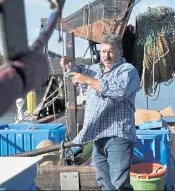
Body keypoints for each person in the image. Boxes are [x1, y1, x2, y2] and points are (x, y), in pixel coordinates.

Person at [60, 33, 140, 191]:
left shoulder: (128, 70)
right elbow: (80, 70)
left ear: (120, 52)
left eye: (110, 51)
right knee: (104, 182)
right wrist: (70, 66)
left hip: (118, 137)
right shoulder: (96, 69)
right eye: (103, 51)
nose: (106, 55)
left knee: (119, 184)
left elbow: (119, 90)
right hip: (98, 136)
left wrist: (88, 80)